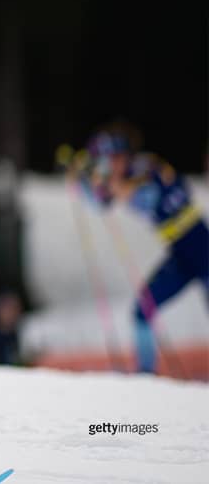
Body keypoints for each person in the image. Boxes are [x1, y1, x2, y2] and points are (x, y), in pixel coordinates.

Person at [64, 123, 207, 374]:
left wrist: (96, 179)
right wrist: (81, 182)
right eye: (104, 162)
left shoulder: (144, 167)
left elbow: (140, 195)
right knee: (143, 310)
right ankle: (146, 375)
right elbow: (102, 202)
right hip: (182, 257)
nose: (109, 166)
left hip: (203, 251)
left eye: (110, 160)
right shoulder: (125, 176)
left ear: (123, 156)